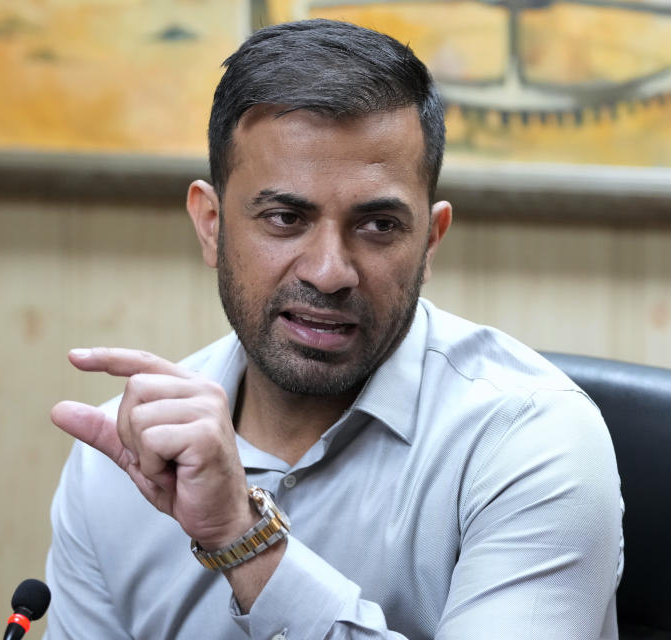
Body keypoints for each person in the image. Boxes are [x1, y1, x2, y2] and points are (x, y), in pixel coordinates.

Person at [44, 19, 623, 640]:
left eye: (377, 226)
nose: (328, 272)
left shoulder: (531, 439)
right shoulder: (122, 460)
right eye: (286, 217)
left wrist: (244, 538)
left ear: (430, 240)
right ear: (211, 224)